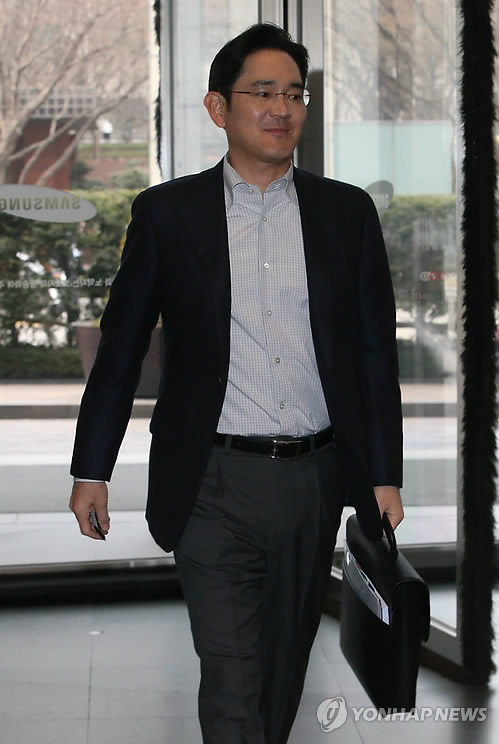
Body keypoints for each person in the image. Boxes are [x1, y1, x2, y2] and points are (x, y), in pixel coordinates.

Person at [69, 22, 403, 744]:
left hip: (314, 478)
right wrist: (91, 468)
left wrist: (383, 476)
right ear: (218, 107)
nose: (281, 109)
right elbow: (122, 348)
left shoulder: (346, 214)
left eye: (294, 94)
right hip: (210, 479)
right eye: (262, 92)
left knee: (280, 674)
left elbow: (375, 356)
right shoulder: (167, 214)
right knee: (229, 675)